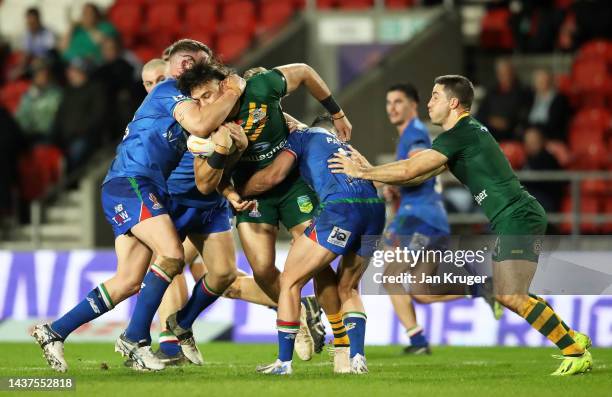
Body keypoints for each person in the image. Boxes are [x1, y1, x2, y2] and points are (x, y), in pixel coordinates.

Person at [329, 74, 593, 376]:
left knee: (510, 295)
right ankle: (571, 336)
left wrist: (363, 172)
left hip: (517, 216)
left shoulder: (459, 134)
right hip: (515, 215)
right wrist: (370, 170)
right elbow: (417, 176)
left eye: (435, 96)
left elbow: (410, 168)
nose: (429, 103)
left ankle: (574, 351)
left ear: (453, 103)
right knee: (510, 293)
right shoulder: (461, 136)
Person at [31, 39, 248, 372]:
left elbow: (208, 148)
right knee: (173, 255)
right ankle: (135, 339)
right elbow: (202, 124)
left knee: (129, 280)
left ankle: (53, 332)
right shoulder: (167, 89)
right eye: (198, 67)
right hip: (131, 182)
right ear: (185, 66)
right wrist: (233, 92)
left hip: (141, 187)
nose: (203, 76)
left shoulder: (191, 102)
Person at [167, 60, 352, 363]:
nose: (203, 104)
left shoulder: (260, 87)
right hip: (252, 196)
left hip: (292, 185)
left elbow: (305, 71)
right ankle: (297, 319)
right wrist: (230, 194)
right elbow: (205, 182)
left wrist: (337, 113)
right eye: (197, 100)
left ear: (224, 84)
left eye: (207, 95)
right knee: (263, 269)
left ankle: (342, 344)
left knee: (317, 261)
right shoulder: (202, 126)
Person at [234, 115, 385, 375]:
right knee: (348, 288)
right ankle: (356, 358)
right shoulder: (343, 146)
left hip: (340, 211)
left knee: (291, 281)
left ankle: (283, 363)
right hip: (375, 211)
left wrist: (236, 192)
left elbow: (274, 175)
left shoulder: (302, 137)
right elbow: (378, 180)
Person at [51, 57, 106, 171]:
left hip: (85, 137)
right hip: (65, 138)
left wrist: (78, 131)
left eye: (73, 71)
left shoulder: (95, 90)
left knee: (76, 152)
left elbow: (97, 116)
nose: (69, 74)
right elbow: (59, 116)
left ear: (83, 72)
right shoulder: (68, 92)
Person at [476, 59, 530, 142]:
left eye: (508, 73)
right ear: (498, 75)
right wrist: (492, 120)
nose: (506, 76)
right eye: (502, 74)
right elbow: (480, 113)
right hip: (490, 127)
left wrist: (507, 122)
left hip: (510, 130)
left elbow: (523, 114)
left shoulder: (523, 92)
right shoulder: (492, 92)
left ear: (513, 73)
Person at [15, 58, 62, 145]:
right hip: (30, 136)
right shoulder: (28, 95)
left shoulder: (57, 94)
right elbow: (21, 117)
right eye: (38, 73)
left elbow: (57, 119)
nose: (41, 76)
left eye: (44, 72)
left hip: (49, 137)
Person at [522, 126, 563, 214]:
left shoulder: (547, 159)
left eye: (534, 142)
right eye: (528, 142)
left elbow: (540, 184)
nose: (530, 145)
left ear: (542, 141)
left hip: (545, 201)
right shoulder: (528, 159)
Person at [526, 69, 570, 142]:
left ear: (550, 81)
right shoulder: (530, 98)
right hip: (530, 134)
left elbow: (554, 124)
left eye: (543, 80)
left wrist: (534, 129)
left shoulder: (559, 99)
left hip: (549, 135)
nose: (541, 83)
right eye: (538, 81)